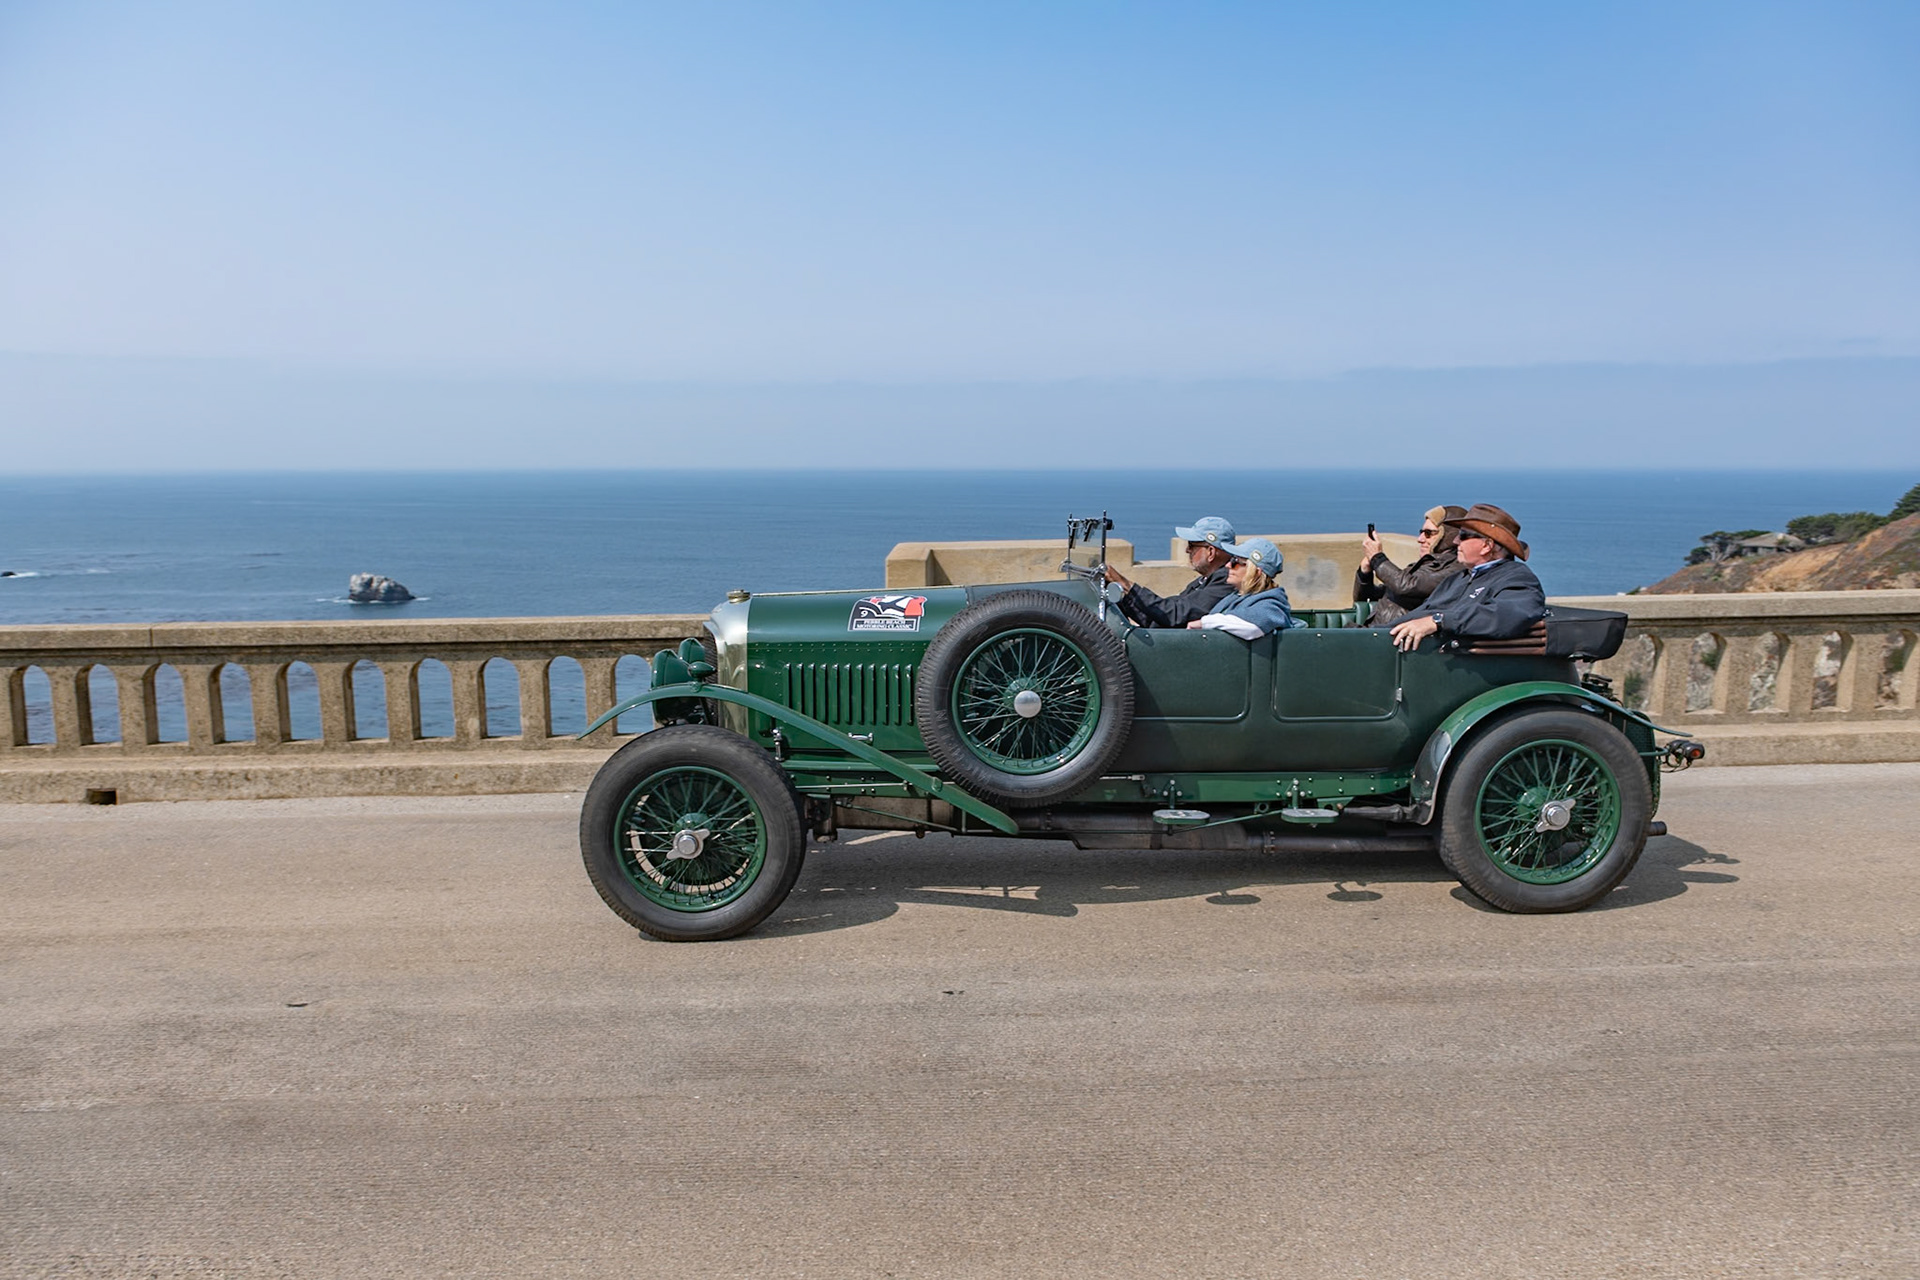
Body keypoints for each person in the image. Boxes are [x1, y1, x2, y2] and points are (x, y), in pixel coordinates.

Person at [1390, 504, 1546, 652]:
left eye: (1463, 536)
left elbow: (1507, 614)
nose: (1455, 541)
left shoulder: (1516, 578)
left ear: (1487, 546)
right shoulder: (1458, 578)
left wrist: (1439, 621)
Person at [1105, 515, 1237, 628]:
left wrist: (1126, 585)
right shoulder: (1204, 581)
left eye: (1192, 545)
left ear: (1211, 552)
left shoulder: (1227, 581)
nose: (1187, 550)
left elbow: (1175, 614)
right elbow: (1161, 619)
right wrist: (1125, 598)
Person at [1353, 504, 1466, 627]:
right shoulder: (1423, 566)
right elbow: (1366, 598)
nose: (1420, 539)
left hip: (1394, 638)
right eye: (1421, 532)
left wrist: (1377, 558)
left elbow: (1407, 586)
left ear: (1448, 535)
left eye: (1428, 533)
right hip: (1374, 632)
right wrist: (1365, 573)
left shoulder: (1456, 569)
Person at [1186, 538, 1295, 638]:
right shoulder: (1234, 597)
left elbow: (1253, 626)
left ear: (1256, 572)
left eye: (1236, 562)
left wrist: (1204, 623)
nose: (1228, 565)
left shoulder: (1272, 603)